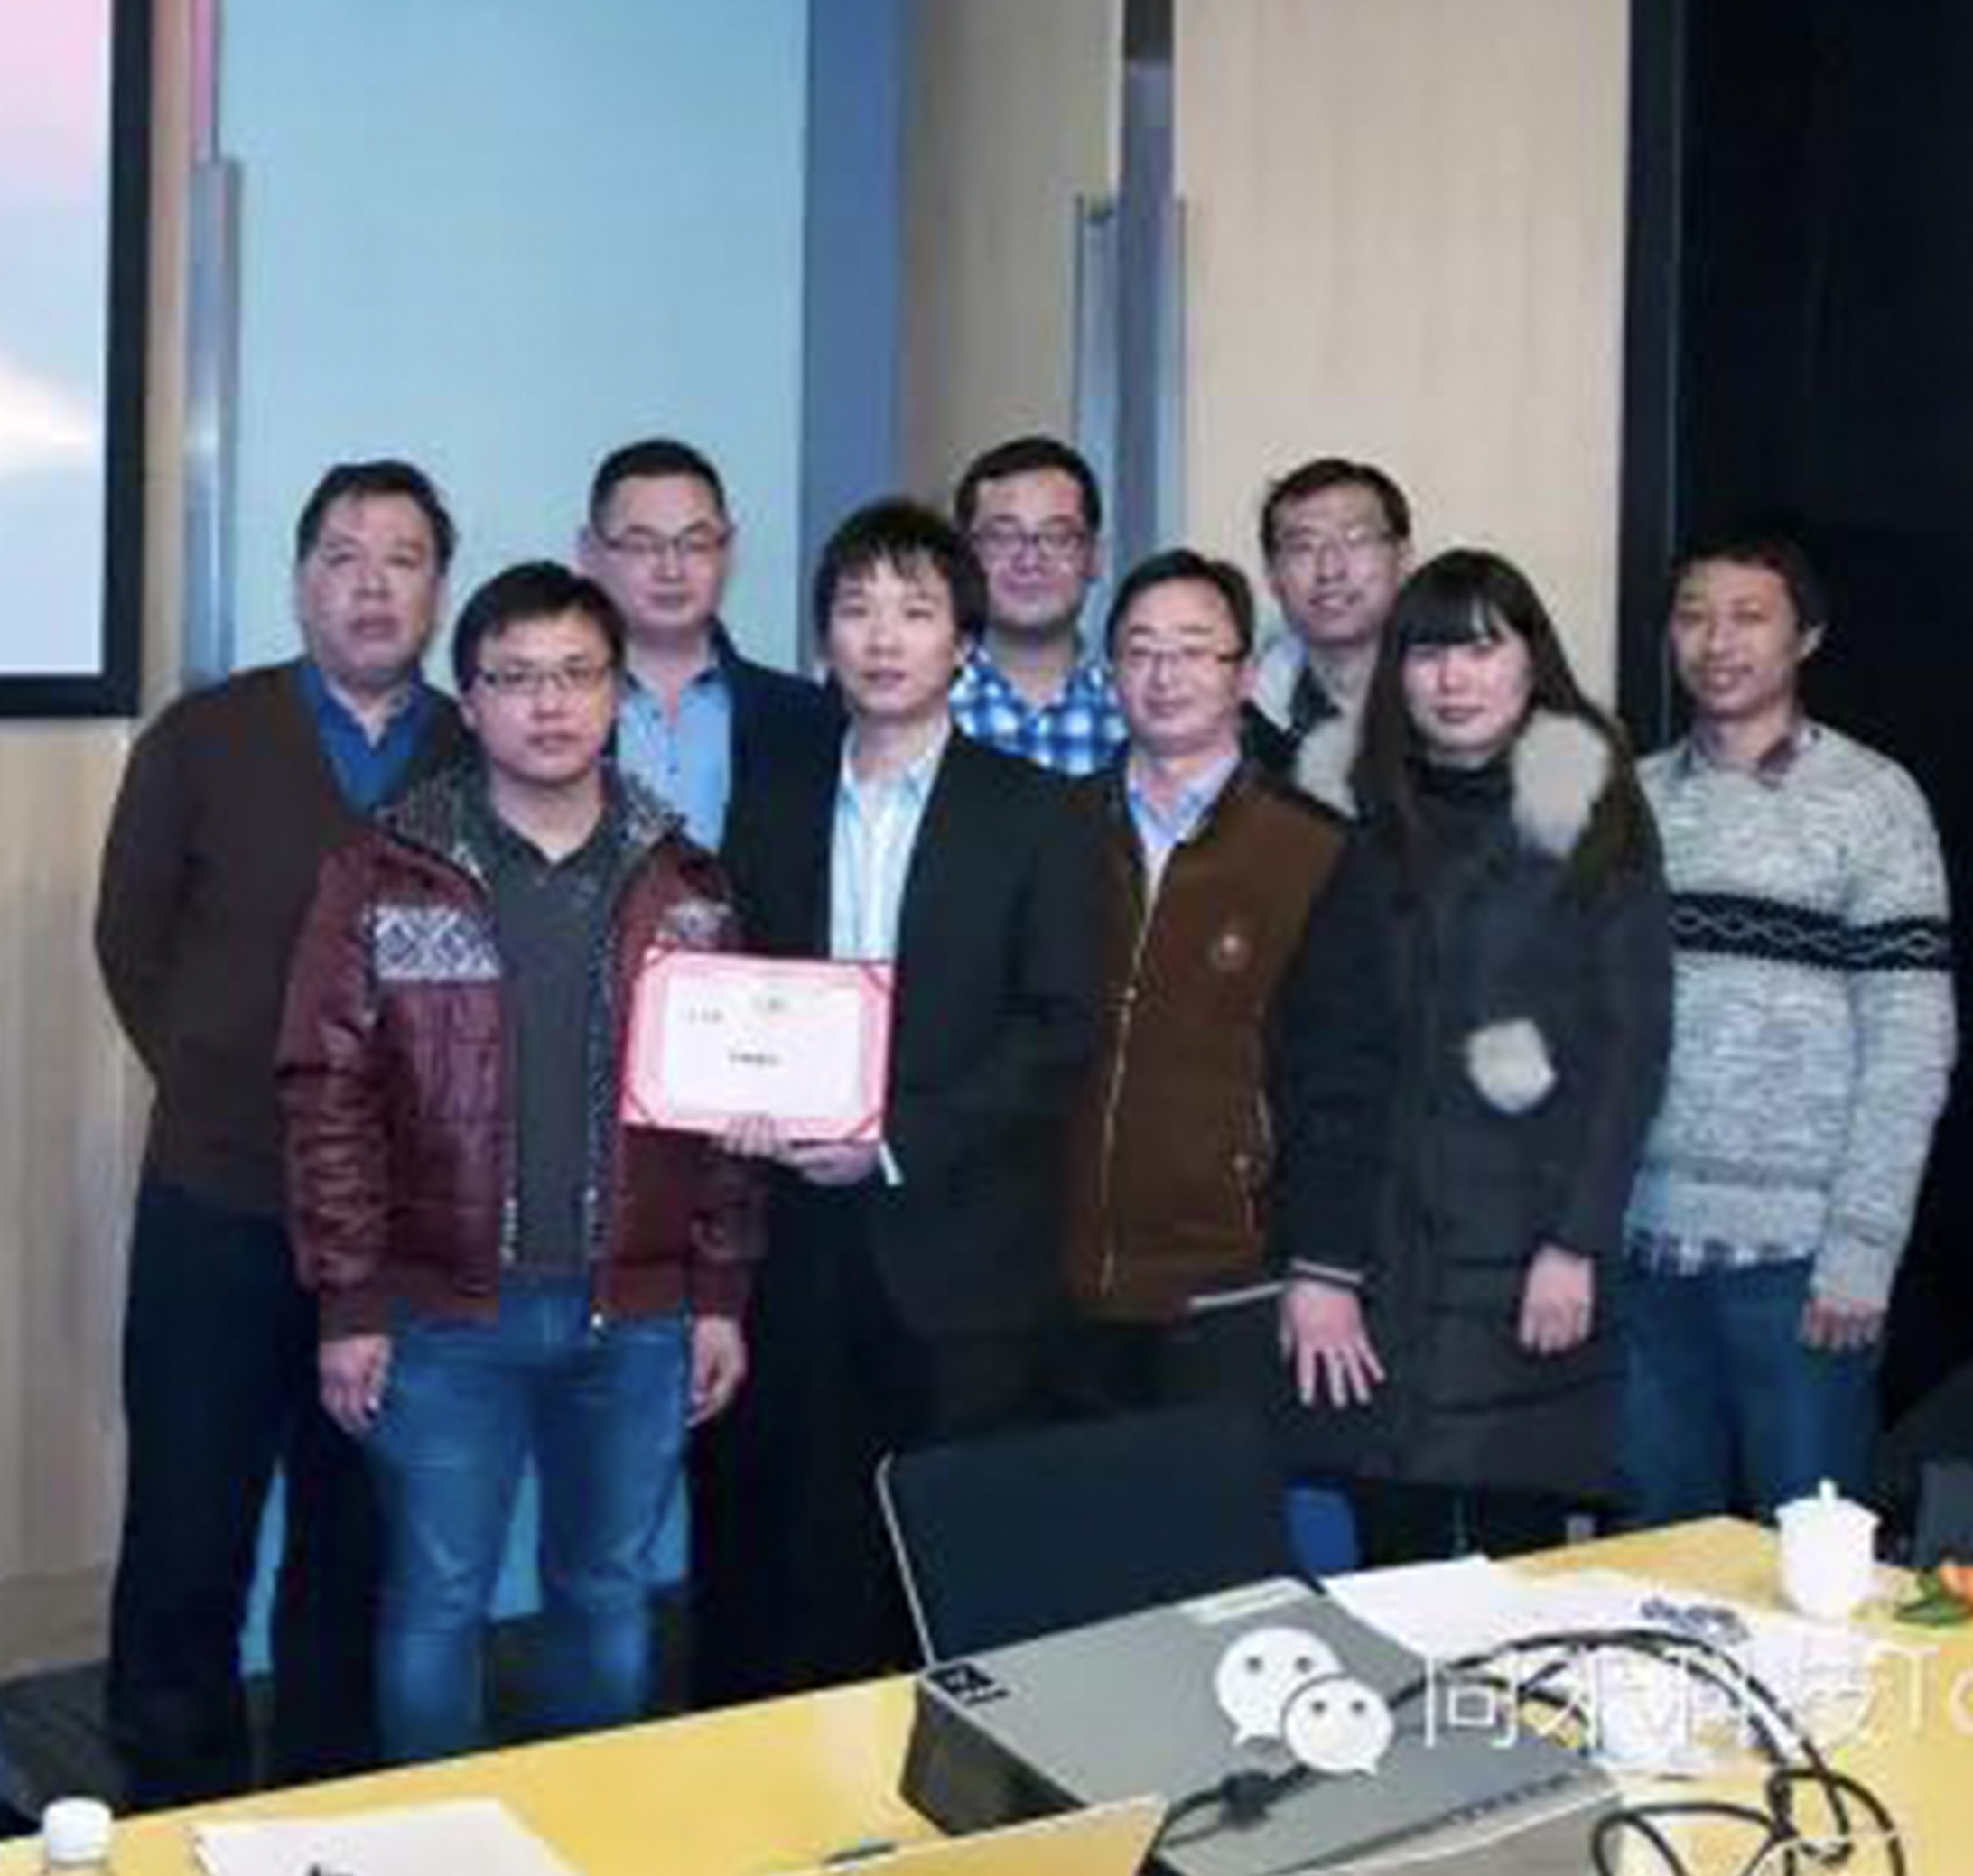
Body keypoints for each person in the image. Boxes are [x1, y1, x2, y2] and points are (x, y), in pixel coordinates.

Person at [279, 562, 760, 1764]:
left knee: (607, 1593)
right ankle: (429, 1837)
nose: (548, 703)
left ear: (614, 693)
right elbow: (326, 1094)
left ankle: (585, 1832)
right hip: (443, 1314)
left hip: (637, 1313)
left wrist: (719, 1291)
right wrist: (350, 1300)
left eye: (576, 674)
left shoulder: (685, 880)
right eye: (515, 677)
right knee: (436, 1599)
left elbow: (727, 1115)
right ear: (470, 697)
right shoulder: (383, 870)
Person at [92, 459, 466, 1805]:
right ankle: (168, 1794)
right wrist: (229, 1090)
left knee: (360, 1527)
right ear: (300, 580)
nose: (371, 586)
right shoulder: (202, 740)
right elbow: (130, 940)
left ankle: (328, 1790)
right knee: (188, 1518)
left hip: (406, 1227)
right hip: (220, 1200)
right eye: (342, 557)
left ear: (438, 589)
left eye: (403, 559)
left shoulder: (475, 749)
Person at [692, 498, 1104, 1699]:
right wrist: (737, 1093)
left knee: (957, 1568)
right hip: (796, 1243)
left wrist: (890, 1138)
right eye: (855, 609)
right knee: (796, 1554)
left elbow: (1060, 1030)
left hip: (966, 1249)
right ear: (821, 638)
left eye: (914, 611)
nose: (882, 637)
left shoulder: (1035, 812)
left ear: (960, 641)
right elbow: (743, 990)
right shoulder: (771, 798)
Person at [1272, 549, 1672, 1560]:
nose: (1452, 678)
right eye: (1427, 652)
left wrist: (1577, 1241)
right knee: (1389, 1563)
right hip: (1380, 1249)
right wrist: (1318, 1265)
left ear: (1532, 659)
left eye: (1482, 650)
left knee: (1520, 1563)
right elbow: (1314, 1052)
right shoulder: (1347, 813)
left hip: (1530, 1247)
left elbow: (1632, 1047)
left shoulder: (1594, 809)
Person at [1619, 531, 1957, 1521]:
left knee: (1807, 1555)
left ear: (1805, 636)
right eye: (1692, 615)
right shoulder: (1630, 800)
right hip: (1641, 1248)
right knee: (1651, 1551)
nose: (1715, 641)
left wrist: (1862, 1247)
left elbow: (1911, 1041)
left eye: (1748, 616)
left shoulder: (1872, 800)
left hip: (1798, 1264)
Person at [1059, 549, 1345, 1411]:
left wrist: (1326, 1263)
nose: (1165, 674)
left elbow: (1343, 1075)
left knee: (1215, 1498)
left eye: (1193, 650)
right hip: (1059, 1274)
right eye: (1141, 650)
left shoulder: (1314, 847)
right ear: (1110, 672)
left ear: (1244, 675)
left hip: (1230, 1272)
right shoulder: (1053, 830)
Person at [574, 436, 841, 854]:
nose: (671, 569)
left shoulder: (809, 717)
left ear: (728, 552)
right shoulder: (547, 712)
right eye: (642, 545)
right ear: (589, 553)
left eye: (695, 544)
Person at [947, 434, 1128, 777]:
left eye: (1057, 537)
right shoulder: (920, 710)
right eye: (1002, 537)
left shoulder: (1138, 711)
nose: (1030, 560)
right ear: (964, 557)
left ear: (1094, 557)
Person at [1242, 457, 1415, 797]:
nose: (1330, 570)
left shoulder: (1463, 702)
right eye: (1304, 547)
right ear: (1272, 575)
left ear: (1404, 558)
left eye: (1356, 540)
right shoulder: (1238, 726)